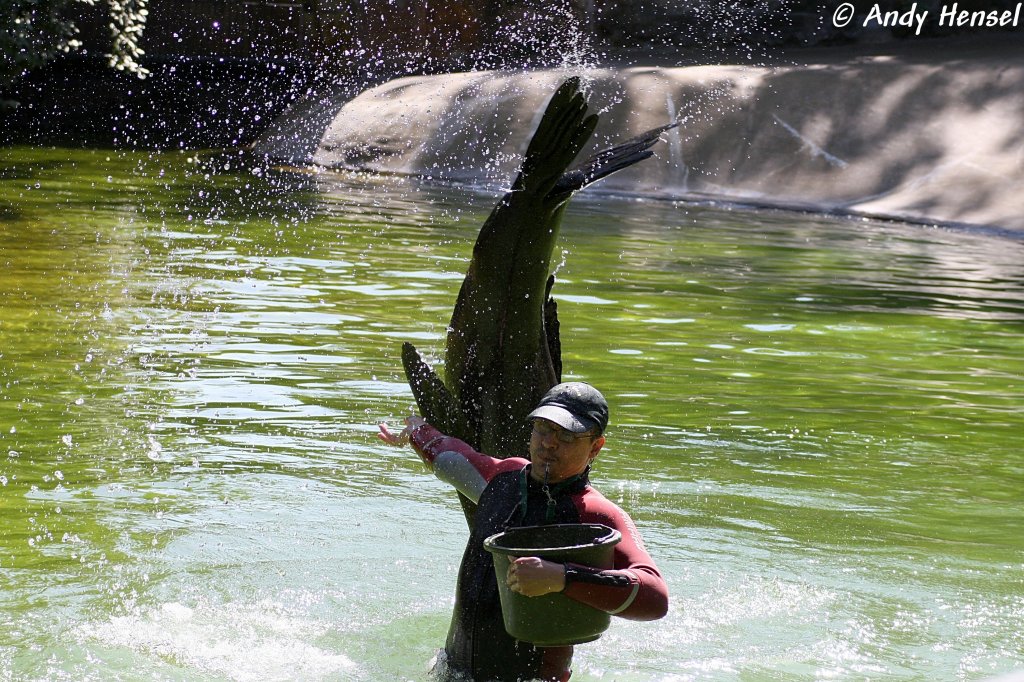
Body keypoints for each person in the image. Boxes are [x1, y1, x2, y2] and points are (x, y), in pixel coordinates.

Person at [378, 382, 669, 682]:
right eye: (543, 427)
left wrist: (562, 578)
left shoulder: (596, 514)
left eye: (567, 434)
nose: (549, 443)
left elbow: (655, 596)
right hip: (453, 671)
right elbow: (452, 457)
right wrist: (417, 431)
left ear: (596, 447)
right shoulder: (502, 479)